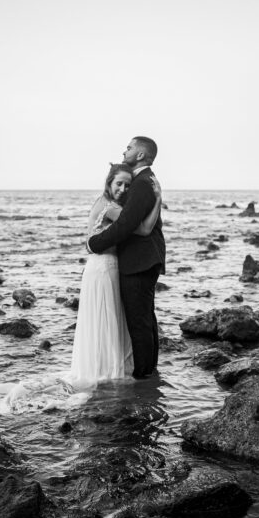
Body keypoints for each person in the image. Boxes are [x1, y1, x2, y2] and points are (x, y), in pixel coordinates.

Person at [0, 163, 160, 412]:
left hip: (106, 267)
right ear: (109, 183)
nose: (123, 188)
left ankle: (105, 365)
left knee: (107, 319)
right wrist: (158, 200)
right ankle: (104, 369)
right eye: (119, 183)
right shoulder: (111, 208)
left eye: (128, 185)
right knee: (105, 318)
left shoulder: (108, 204)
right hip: (104, 268)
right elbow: (143, 229)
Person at [87, 137, 166, 379]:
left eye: (130, 147)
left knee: (139, 321)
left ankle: (144, 375)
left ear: (141, 154)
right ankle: (149, 370)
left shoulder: (142, 183)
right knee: (145, 318)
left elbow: (127, 225)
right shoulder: (143, 181)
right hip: (143, 260)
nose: (125, 150)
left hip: (139, 261)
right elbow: (134, 226)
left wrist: (94, 243)